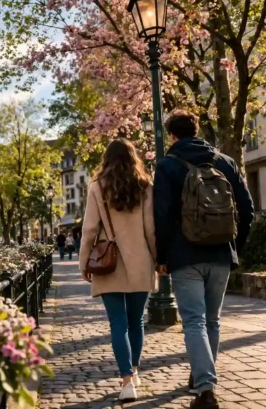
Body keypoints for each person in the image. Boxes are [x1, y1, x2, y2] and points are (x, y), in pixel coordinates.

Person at [154, 111, 254, 408]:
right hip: (222, 253)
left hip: (185, 255)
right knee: (212, 320)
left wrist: (162, 256)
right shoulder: (225, 162)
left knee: (194, 321)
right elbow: (246, 209)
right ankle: (202, 375)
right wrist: (234, 246)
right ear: (196, 130)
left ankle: (206, 389)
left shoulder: (167, 165)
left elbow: (161, 215)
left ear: (172, 135)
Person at [79, 139, 157, 402]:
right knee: (136, 322)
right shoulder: (145, 186)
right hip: (140, 260)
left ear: (107, 159)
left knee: (118, 324)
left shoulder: (98, 187)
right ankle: (134, 371)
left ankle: (126, 382)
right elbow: (151, 229)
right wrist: (157, 259)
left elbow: (89, 229)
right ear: (134, 158)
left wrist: (84, 262)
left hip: (108, 263)